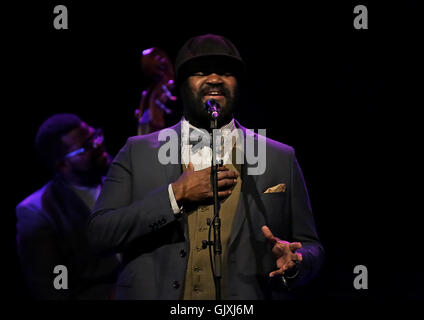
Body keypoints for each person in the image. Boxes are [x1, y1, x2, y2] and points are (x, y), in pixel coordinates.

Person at [87, 34, 324, 300]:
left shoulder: (280, 157)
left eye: (226, 72)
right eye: (200, 72)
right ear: (180, 85)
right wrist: (174, 195)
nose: (214, 79)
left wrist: (298, 262)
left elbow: (311, 246)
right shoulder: (137, 151)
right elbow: (99, 235)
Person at [16, 114, 120, 299]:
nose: (98, 144)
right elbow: (53, 289)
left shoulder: (119, 174)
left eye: (95, 135)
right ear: (62, 164)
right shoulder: (38, 212)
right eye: (86, 146)